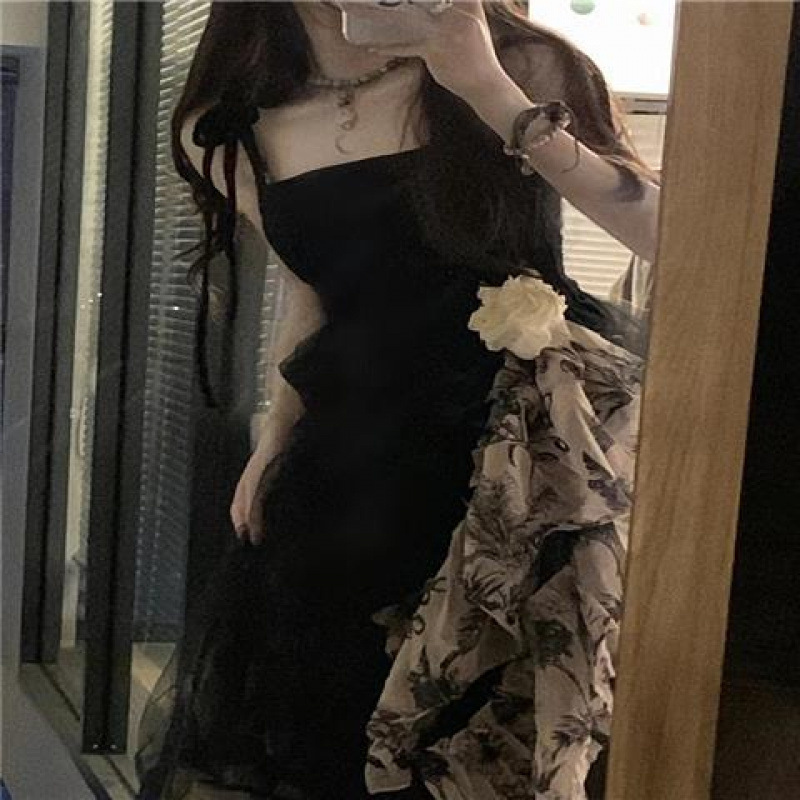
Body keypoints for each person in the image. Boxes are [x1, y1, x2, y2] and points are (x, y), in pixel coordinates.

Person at [136, 2, 659, 799]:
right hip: (352, 468)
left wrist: (485, 87)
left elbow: (670, 238)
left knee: (492, 737)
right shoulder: (232, 124)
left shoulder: (520, 63)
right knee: (332, 727)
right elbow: (313, 292)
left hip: (515, 464)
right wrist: (274, 436)